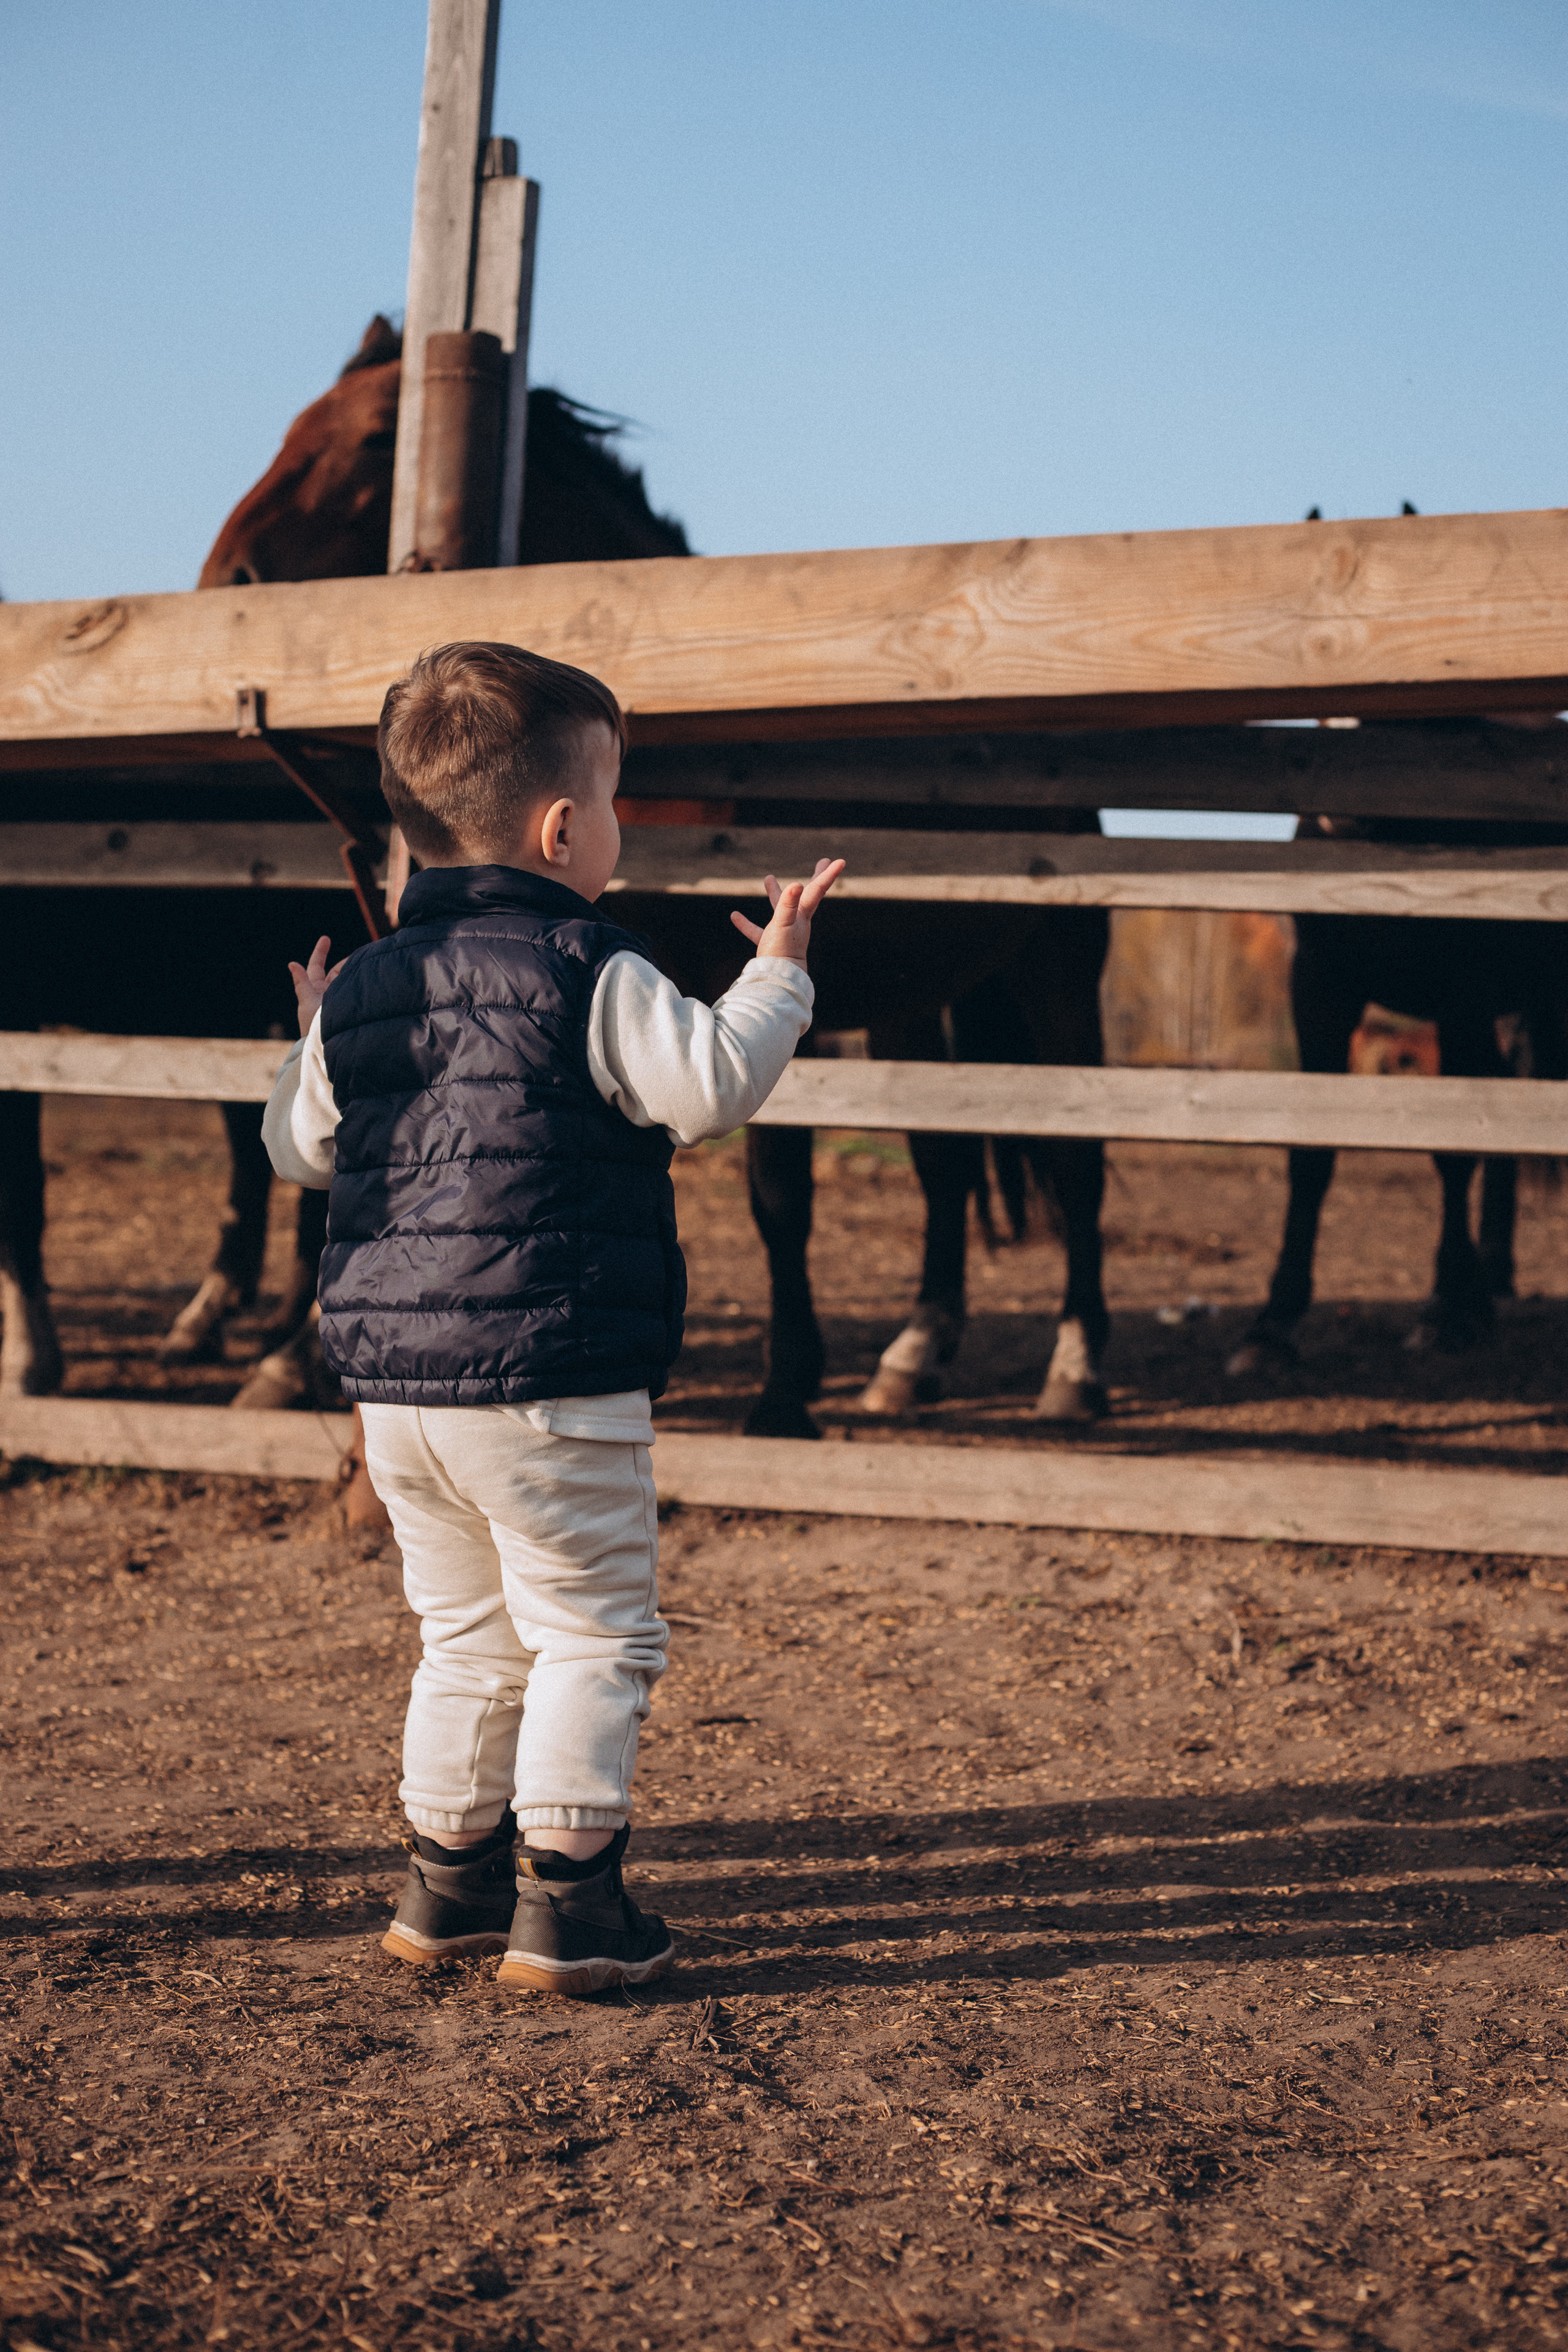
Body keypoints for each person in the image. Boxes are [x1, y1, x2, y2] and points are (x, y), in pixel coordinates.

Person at [262, 639, 843, 1998]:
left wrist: (311, 1032)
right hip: (550, 1373)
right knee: (591, 1635)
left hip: (396, 1396)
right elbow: (703, 1090)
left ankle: (445, 1881)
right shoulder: (596, 966)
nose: (617, 831)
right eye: (616, 805)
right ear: (564, 827)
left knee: (464, 1634)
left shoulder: (363, 987)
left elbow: (298, 1147)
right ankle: (572, 1905)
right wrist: (779, 977)